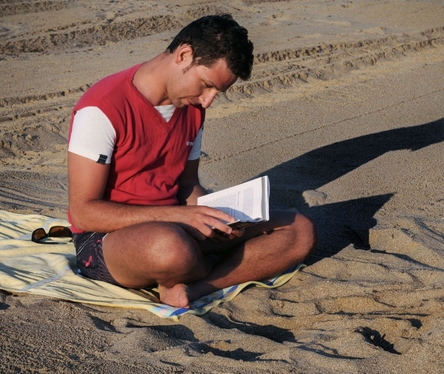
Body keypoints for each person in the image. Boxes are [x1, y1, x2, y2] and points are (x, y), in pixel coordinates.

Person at [67, 14, 316, 308]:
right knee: (171, 249)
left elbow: (187, 185)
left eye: (217, 92)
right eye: (206, 85)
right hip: (110, 241)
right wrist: (179, 217)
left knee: (299, 230)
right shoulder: (101, 108)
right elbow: (83, 213)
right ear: (184, 55)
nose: (207, 101)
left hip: (177, 225)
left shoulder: (192, 106)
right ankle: (209, 266)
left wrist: (218, 218)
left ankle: (196, 288)